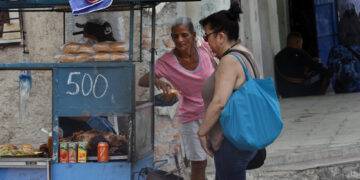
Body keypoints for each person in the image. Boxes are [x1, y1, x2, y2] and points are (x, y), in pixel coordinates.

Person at [138, 17, 216, 180]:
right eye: (175, 36)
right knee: (199, 163)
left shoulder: (204, 48)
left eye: (184, 35)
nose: (179, 40)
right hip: (191, 118)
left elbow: (223, 60)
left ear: (193, 35)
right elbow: (142, 80)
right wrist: (156, 79)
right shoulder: (166, 62)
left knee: (224, 159)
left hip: (216, 112)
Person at [197, 2, 261, 180]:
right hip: (244, 136)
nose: (205, 41)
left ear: (220, 36)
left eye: (207, 36)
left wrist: (202, 132)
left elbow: (219, 103)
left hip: (232, 140)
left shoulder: (229, 61)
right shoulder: (243, 53)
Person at [274, 32, 331, 98]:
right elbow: (317, 68)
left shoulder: (278, 56)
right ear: (298, 42)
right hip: (300, 90)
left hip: (284, 92)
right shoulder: (300, 53)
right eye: (301, 43)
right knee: (326, 72)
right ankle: (319, 97)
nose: (301, 46)